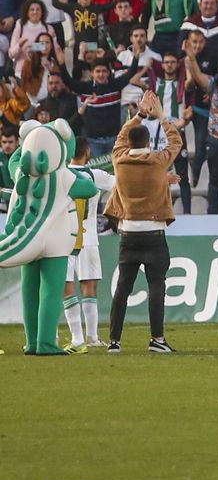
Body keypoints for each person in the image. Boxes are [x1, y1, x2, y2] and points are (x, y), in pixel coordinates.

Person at [105, 91, 185, 353]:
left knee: (122, 289)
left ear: (129, 142)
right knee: (156, 286)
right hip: (154, 231)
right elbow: (175, 142)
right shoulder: (157, 161)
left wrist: (140, 113)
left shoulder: (119, 158)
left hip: (128, 231)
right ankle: (157, 340)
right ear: (149, 141)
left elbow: (119, 137)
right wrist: (160, 114)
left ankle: (114, 342)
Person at [63, 135, 117, 351]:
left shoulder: (60, 174)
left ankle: (77, 338)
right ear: (88, 152)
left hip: (64, 238)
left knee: (66, 287)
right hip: (88, 236)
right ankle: (92, 337)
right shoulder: (95, 175)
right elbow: (120, 184)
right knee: (89, 286)